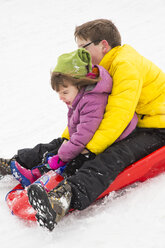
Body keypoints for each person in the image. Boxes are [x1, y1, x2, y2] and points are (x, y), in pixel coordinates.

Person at [27, 19, 165, 231]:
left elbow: (117, 116)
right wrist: (70, 141)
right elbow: (84, 115)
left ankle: (63, 200)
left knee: (114, 154)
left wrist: (89, 149)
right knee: (75, 138)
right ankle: (22, 161)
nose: (80, 54)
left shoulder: (125, 64)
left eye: (83, 47)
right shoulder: (100, 70)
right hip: (137, 121)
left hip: (157, 125)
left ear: (103, 45)